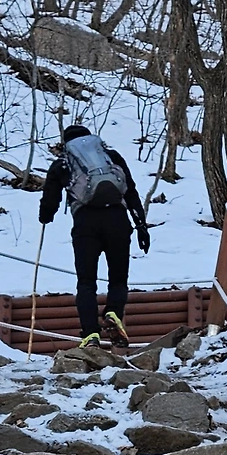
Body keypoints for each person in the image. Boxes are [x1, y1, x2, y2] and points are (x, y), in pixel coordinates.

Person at [38, 123, 150, 349]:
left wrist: (45, 216)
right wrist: (141, 225)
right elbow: (130, 191)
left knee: (86, 282)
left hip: (85, 224)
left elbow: (50, 199)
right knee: (118, 278)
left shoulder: (63, 164)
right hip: (117, 220)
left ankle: (90, 335)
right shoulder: (111, 157)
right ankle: (113, 312)